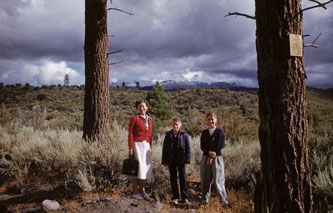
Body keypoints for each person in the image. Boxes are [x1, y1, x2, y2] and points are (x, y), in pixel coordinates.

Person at [200, 112, 230, 209]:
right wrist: (209, 154)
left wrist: (212, 156)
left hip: (217, 158)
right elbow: (203, 146)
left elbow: (221, 144)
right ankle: (204, 201)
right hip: (205, 158)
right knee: (205, 180)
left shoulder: (219, 132)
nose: (211, 121)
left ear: (216, 120)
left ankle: (224, 203)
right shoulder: (204, 133)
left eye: (212, 119)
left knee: (219, 181)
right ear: (206, 120)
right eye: (209, 119)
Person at [128, 99, 154, 200]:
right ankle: (135, 191)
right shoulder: (134, 119)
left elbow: (150, 135)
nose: (142, 108)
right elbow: (130, 134)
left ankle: (143, 191)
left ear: (147, 107)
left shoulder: (150, 119)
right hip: (136, 145)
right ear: (137, 108)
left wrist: (150, 147)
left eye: (144, 106)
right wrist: (130, 148)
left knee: (144, 169)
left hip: (146, 146)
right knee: (136, 168)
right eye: (140, 106)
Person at [162, 118, 191, 205]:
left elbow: (188, 148)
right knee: (173, 179)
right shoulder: (168, 135)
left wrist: (187, 160)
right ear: (172, 125)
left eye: (177, 124)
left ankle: (185, 197)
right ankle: (175, 197)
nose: (175, 126)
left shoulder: (184, 135)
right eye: (174, 124)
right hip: (171, 160)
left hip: (181, 160)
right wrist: (164, 161)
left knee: (183, 178)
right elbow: (165, 149)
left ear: (180, 125)